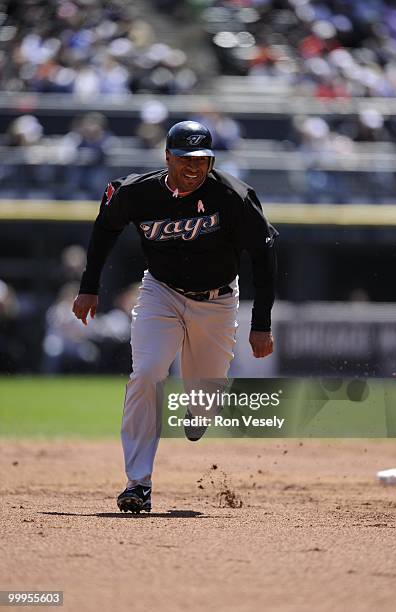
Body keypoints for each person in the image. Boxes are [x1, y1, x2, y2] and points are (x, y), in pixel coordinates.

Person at [72, 120, 278, 513]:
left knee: (205, 393)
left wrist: (262, 323)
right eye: (185, 158)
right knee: (147, 372)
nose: (193, 167)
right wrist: (89, 286)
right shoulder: (137, 192)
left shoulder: (234, 196)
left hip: (217, 301)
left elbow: (265, 256)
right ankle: (138, 483)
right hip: (160, 293)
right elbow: (104, 229)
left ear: (211, 161)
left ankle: (200, 408)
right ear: (168, 156)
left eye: (202, 160)